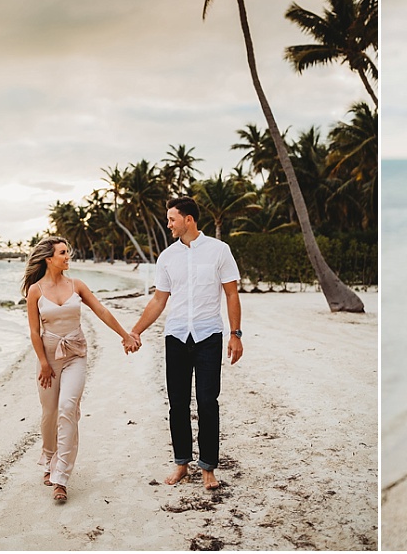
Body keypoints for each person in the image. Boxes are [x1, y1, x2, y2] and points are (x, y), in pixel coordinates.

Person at [130, 196, 243, 491]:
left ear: (188, 220)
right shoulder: (167, 257)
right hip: (176, 337)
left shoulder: (220, 251)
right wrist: (136, 330)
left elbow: (231, 294)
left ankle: (208, 468)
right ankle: (182, 463)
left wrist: (236, 334)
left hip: (209, 336)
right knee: (177, 404)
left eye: (172, 219)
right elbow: (158, 300)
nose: (168, 224)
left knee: (208, 403)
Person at [22, 236, 141, 503]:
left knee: (67, 409)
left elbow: (101, 310)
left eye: (68, 252)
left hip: (76, 353)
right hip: (48, 358)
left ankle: (60, 478)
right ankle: (49, 456)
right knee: (49, 413)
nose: (68, 257)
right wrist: (43, 362)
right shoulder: (36, 291)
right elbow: (33, 330)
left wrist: (125, 335)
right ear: (48, 258)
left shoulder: (77, 285)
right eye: (63, 253)